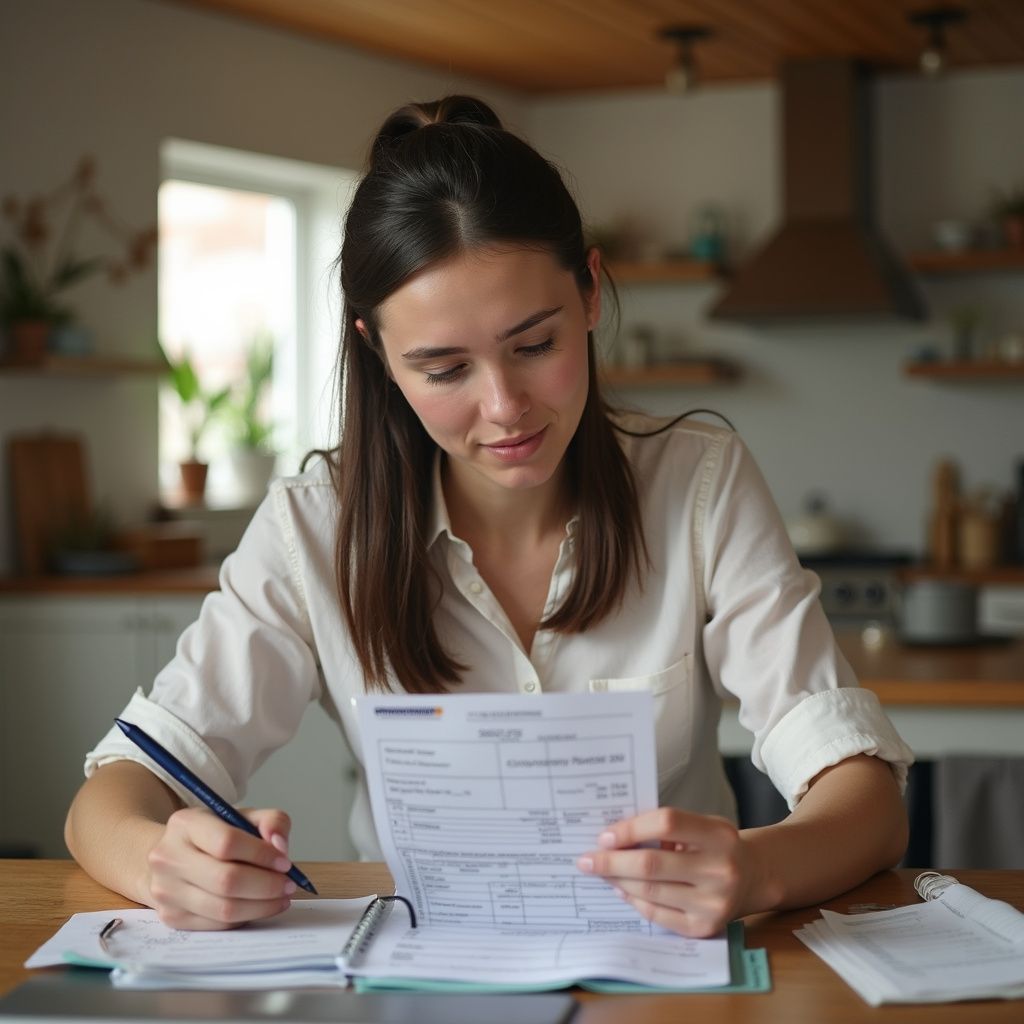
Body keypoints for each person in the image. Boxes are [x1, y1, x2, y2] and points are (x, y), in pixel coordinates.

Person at [66, 95, 912, 936]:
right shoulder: (313, 530)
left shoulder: (699, 484)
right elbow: (111, 798)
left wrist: (756, 868)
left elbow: (865, 800)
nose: (505, 407)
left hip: (670, 982)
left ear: (589, 291)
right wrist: (166, 864)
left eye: (534, 346)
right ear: (376, 350)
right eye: (443, 369)